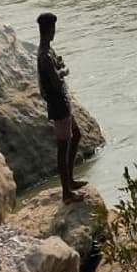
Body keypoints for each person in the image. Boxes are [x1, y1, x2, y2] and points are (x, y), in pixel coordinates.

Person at [36, 12, 87, 204]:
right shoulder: (44, 56)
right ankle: (66, 192)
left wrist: (59, 66)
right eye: (53, 28)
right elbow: (56, 82)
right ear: (49, 29)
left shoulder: (48, 51)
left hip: (63, 102)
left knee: (77, 135)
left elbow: (54, 72)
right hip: (58, 104)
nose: (54, 31)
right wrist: (64, 71)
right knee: (63, 147)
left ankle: (70, 181)